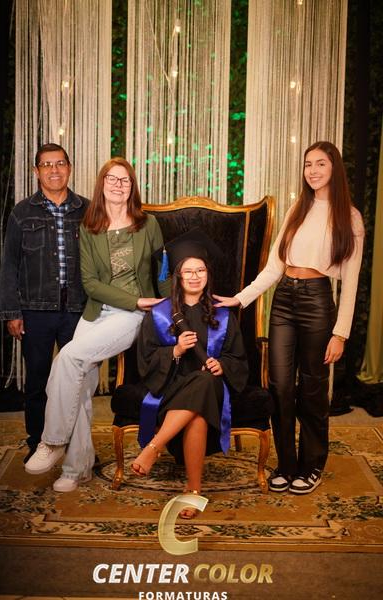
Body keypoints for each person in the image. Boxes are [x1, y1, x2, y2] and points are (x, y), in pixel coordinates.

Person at [214, 141, 364, 495]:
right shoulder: (298, 208)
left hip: (317, 302)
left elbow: (351, 282)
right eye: (308, 164)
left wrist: (340, 333)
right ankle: (286, 464)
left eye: (321, 164)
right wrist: (239, 299)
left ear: (334, 168)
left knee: (312, 388)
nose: (313, 170)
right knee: (280, 386)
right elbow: (274, 266)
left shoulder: (350, 217)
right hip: (283, 300)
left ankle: (311, 466)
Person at [24, 157, 169, 492]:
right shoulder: (90, 226)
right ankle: (77, 469)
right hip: (96, 312)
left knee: (67, 358)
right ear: (102, 184)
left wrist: (171, 309)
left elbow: (163, 270)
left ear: (132, 187)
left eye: (125, 180)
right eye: (112, 179)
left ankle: (53, 442)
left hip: (132, 314)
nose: (118, 185)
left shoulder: (148, 224)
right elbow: (90, 283)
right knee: (77, 383)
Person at [131, 231, 249, 518]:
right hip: (171, 387)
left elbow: (237, 357)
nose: (195, 277)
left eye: (200, 270)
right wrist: (175, 351)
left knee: (206, 381)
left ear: (208, 274)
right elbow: (144, 359)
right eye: (188, 271)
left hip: (211, 388)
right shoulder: (160, 313)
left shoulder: (223, 315)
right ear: (177, 276)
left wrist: (222, 365)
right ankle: (194, 492)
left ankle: (154, 447)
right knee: (198, 405)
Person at [0, 143, 89, 463]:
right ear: (36, 171)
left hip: (78, 310)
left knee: (79, 382)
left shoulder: (88, 210)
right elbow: (9, 265)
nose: (54, 170)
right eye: (47, 165)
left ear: (69, 168)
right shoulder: (22, 213)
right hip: (35, 310)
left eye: (60, 163)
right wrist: (12, 311)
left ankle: (78, 447)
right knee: (38, 381)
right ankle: (38, 442)